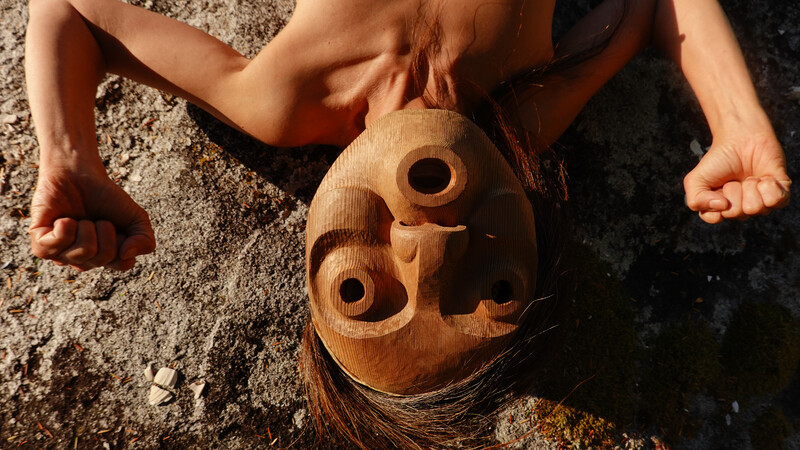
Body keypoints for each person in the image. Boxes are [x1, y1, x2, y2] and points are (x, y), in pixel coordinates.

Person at [24, 0, 791, 446]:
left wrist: (69, 156)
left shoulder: (283, 102)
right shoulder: (526, 116)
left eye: (358, 290)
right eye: (491, 289)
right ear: (535, 237)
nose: (429, 244)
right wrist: (734, 121)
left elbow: (71, 14)